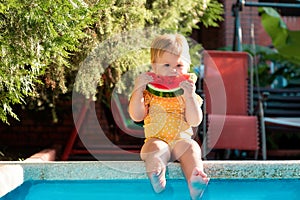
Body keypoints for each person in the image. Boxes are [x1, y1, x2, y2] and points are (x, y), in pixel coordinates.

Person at [128, 33, 209, 199]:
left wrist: (189, 97)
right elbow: (136, 116)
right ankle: (157, 174)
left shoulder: (187, 92)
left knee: (192, 147)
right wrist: (138, 91)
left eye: (179, 65)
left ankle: (195, 180)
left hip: (181, 141)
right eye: (166, 65)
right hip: (156, 139)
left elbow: (195, 121)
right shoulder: (149, 92)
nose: (173, 70)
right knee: (155, 150)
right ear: (154, 67)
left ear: (187, 66)